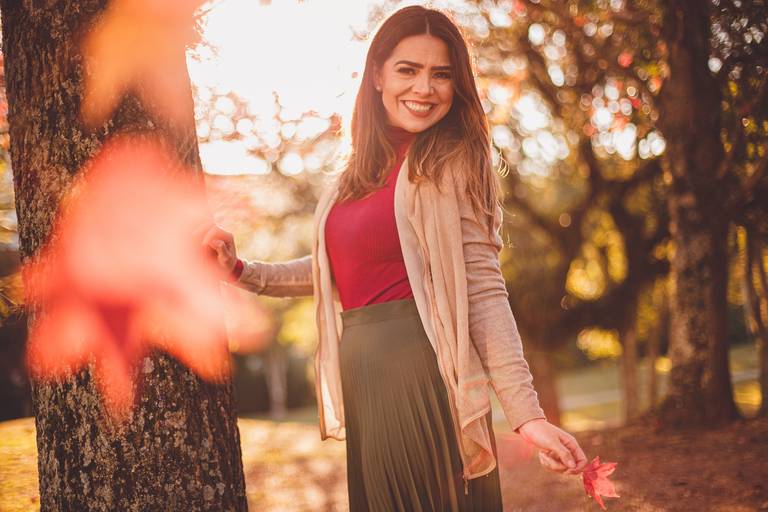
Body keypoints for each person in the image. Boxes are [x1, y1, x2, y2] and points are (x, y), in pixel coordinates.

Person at [203, 5, 588, 510]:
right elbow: (333, 269)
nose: (424, 88)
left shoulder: (451, 165)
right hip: (365, 378)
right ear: (377, 76)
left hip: (422, 373)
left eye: (441, 74)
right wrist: (239, 270)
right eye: (409, 70)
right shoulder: (351, 177)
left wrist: (527, 415)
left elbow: (484, 290)